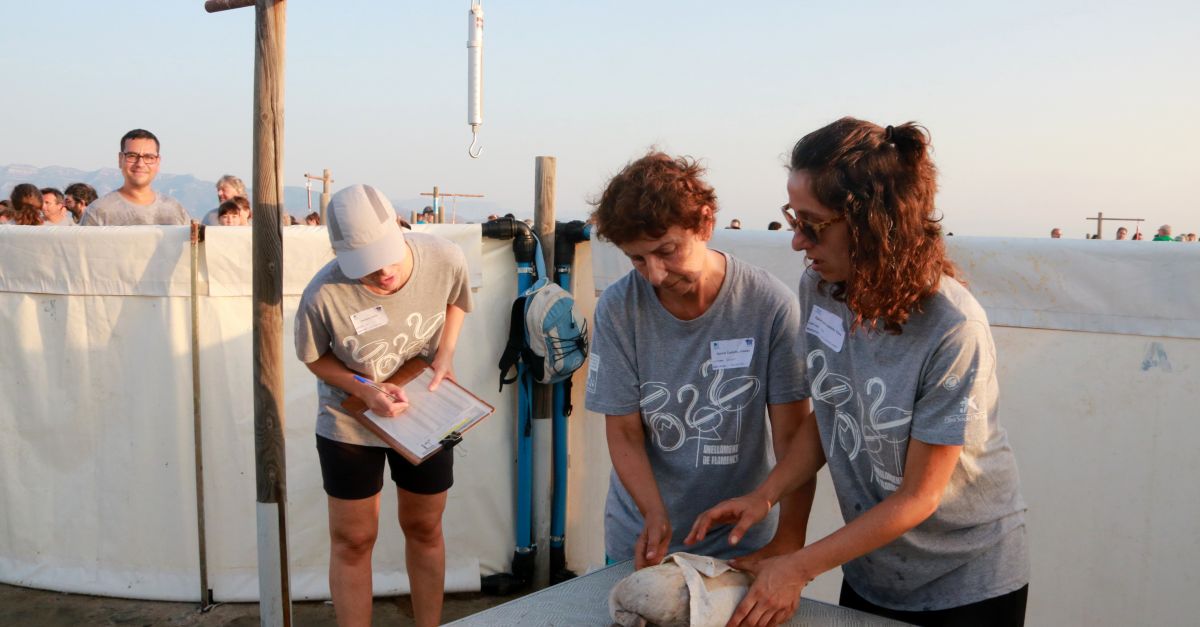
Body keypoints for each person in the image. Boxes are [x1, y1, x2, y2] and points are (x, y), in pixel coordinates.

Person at [687, 118, 1028, 627]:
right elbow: (831, 412)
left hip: (967, 584)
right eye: (792, 217)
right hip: (871, 569)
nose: (797, 241)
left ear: (874, 223)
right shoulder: (821, 289)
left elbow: (920, 496)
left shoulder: (954, 328)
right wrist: (765, 495)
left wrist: (798, 567)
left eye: (813, 224)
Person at [585, 152, 815, 569]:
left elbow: (793, 438)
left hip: (741, 542)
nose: (655, 273)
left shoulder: (769, 306)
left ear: (705, 223)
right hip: (643, 539)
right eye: (638, 259)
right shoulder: (618, 308)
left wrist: (788, 541)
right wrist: (654, 513)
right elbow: (624, 431)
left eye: (667, 251)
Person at [294, 184, 472, 627]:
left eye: (387, 255)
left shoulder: (444, 257)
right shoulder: (323, 293)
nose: (384, 272)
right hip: (349, 422)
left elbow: (457, 300)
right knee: (353, 539)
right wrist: (364, 388)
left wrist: (445, 355)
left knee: (425, 526)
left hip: (425, 409)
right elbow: (314, 357)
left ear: (398, 228)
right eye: (366, 266)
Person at [80, 129, 189, 226]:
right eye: (132, 156)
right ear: (120, 159)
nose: (140, 164)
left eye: (149, 157)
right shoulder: (98, 212)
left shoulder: (176, 210)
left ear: (158, 162)